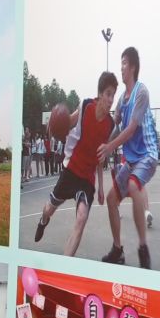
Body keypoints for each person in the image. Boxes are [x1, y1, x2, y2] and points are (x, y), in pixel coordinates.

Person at [34, 73, 116, 256]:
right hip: (70, 171)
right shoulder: (86, 106)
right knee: (48, 210)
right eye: (108, 94)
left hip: (86, 179)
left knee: (81, 218)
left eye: (113, 95)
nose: (111, 100)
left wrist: (101, 187)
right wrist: (54, 125)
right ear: (100, 93)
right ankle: (43, 221)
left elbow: (100, 156)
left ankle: (64, 265)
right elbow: (66, 123)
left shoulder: (110, 125)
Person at [100, 46, 158, 270]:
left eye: (124, 63)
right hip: (132, 160)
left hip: (148, 154)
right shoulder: (121, 101)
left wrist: (109, 147)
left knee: (134, 185)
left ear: (133, 67)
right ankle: (118, 250)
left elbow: (131, 128)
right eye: (121, 63)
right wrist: (99, 143)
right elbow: (114, 127)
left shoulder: (141, 92)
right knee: (111, 199)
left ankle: (143, 247)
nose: (121, 67)